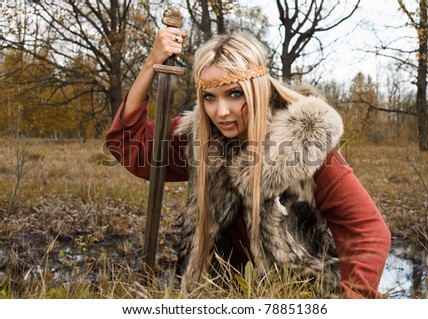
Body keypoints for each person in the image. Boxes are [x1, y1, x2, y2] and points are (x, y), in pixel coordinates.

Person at [105, 27, 391, 298]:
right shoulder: (201, 138)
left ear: (256, 89)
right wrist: (150, 64)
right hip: (217, 292)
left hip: (305, 294)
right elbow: (129, 145)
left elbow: (368, 231)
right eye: (209, 97)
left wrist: (356, 299)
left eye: (234, 93)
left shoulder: (305, 143)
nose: (222, 111)